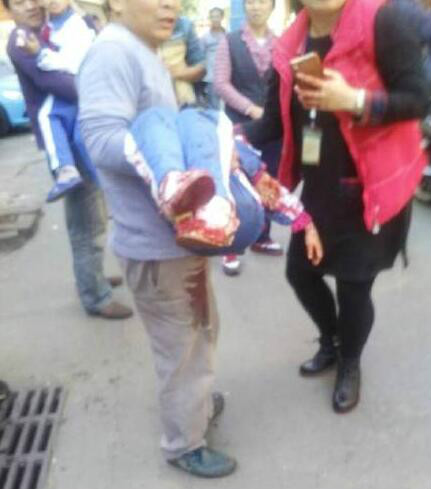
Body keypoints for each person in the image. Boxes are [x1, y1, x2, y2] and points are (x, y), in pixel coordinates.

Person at [241, 0, 428, 413]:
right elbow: (273, 122)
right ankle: (332, 340)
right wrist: (229, 137)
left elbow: (419, 99)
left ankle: (350, 362)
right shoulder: (290, 44)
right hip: (319, 192)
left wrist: (355, 99)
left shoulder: (383, 20)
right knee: (299, 273)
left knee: (353, 287)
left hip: (369, 190)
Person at [77, 0, 237, 478]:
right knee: (181, 348)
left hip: (176, 240)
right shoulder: (112, 52)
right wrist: (176, 160)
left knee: (198, 334)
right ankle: (184, 443)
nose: (170, 5)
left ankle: (195, 405)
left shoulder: (143, 49)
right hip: (154, 245)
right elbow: (101, 140)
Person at [4, 0, 133, 320]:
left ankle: (92, 276)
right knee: (86, 219)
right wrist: (96, 83)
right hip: (63, 142)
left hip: (77, 132)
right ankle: (95, 295)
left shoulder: (51, 29)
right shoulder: (22, 40)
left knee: (93, 212)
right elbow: (61, 84)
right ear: (8, 10)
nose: (31, 6)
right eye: (19, 2)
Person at [214, 0, 283, 276]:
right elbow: (221, 84)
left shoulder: (282, 43)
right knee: (235, 182)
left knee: (268, 179)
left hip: (273, 128)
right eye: (250, 1)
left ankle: (261, 236)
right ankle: (230, 244)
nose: (256, 7)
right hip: (240, 125)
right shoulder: (229, 42)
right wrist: (251, 109)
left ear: (272, 7)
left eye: (262, 1)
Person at [17, 0, 96, 203]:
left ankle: (67, 170)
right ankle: (102, 182)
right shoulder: (49, 25)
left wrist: (40, 54)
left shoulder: (76, 25)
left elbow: (74, 63)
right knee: (80, 140)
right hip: (80, 92)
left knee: (48, 115)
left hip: (79, 86)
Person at [160, 15, 206, 106]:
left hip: (183, 101)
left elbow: (201, 67)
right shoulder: (136, 25)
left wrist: (174, 73)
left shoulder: (184, 26)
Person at [200, 7, 225, 110]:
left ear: (222, 17)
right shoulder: (204, 38)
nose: (215, 19)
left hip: (226, 78)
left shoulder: (228, 36)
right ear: (209, 18)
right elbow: (200, 58)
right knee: (213, 108)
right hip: (211, 78)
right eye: (212, 17)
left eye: (217, 16)